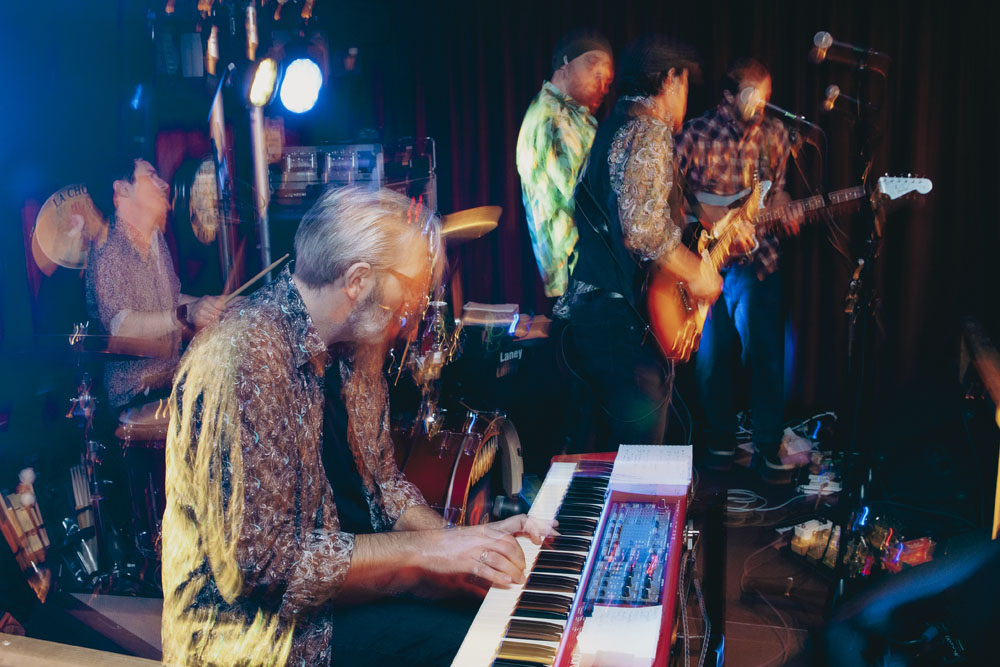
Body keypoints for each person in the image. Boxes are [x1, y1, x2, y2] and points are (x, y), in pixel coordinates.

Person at [160, 187, 554, 667]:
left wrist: (466, 547)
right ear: (358, 280)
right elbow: (266, 569)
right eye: (412, 289)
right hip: (262, 635)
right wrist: (429, 553)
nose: (416, 310)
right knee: (496, 652)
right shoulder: (243, 359)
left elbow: (384, 485)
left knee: (502, 616)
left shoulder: (358, 350)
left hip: (341, 602)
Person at [555, 35, 728, 451]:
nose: (685, 98)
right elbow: (643, 229)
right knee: (640, 466)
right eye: (684, 85)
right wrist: (699, 274)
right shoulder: (649, 129)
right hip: (623, 327)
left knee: (599, 460)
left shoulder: (614, 125)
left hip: (592, 317)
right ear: (669, 80)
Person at [674, 58, 804, 481]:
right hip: (706, 264)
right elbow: (670, 195)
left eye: (765, 94)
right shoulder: (695, 134)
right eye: (751, 94)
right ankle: (720, 441)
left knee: (765, 355)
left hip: (758, 262)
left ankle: (767, 445)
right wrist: (706, 223)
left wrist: (785, 207)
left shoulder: (775, 134)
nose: (760, 103)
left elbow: (777, 192)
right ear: (728, 96)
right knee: (711, 361)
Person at [85, 158, 225, 409]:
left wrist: (218, 305)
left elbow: (172, 299)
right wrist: (185, 314)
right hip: (134, 394)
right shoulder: (109, 245)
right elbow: (121, 326)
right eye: (151, 176)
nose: (163, 184)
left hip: (169, 384)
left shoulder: (156, 237)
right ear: (122, 189)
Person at [516, 28, 613, 299]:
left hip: (588, 276)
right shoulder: (552, 117)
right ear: (565, 63)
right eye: (593, 66)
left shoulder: (570, 115)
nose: (603, 83)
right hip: (580, 280)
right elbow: (587, 199)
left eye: (607, 78)